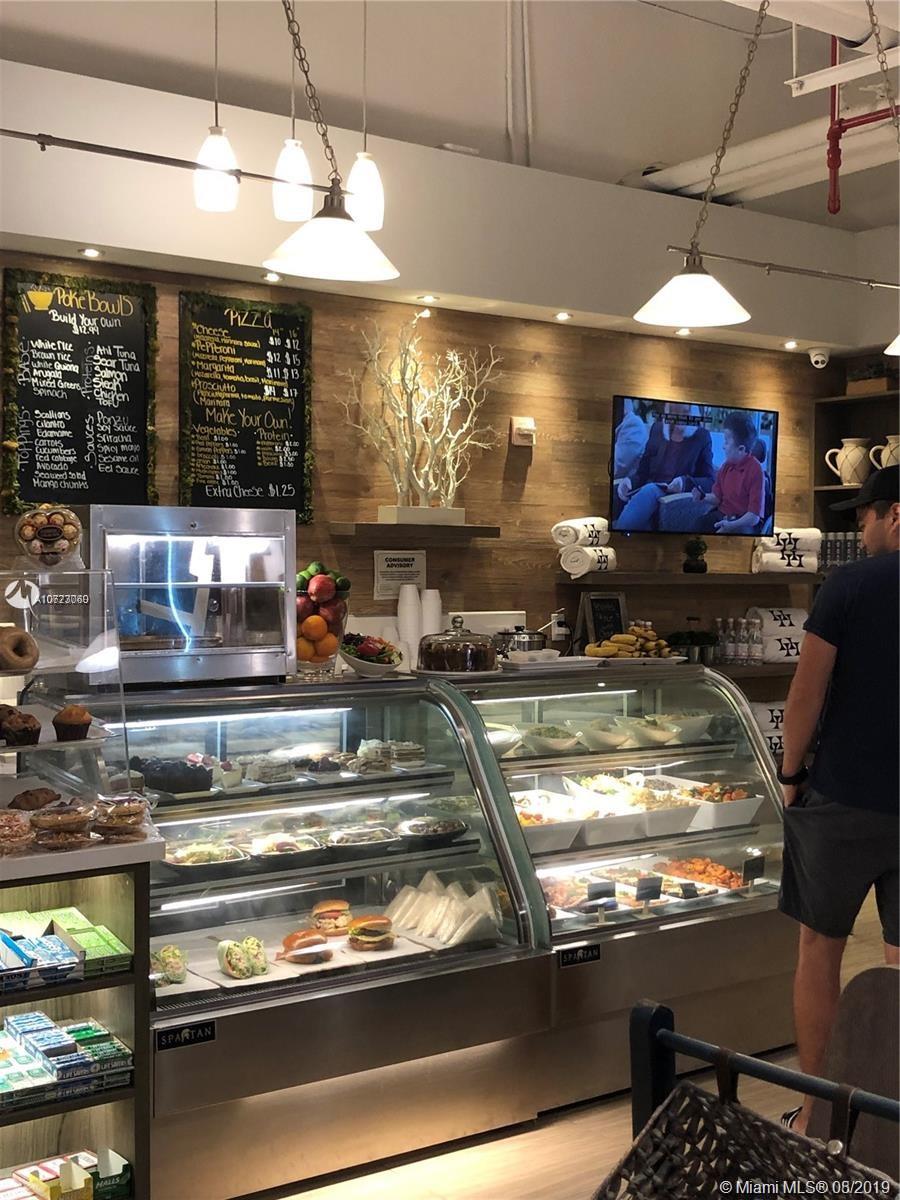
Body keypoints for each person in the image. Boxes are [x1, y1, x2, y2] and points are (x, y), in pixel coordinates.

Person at [777, 465, 899, 1134]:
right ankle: (890, 1125)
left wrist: (791, 772)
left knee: (819, 949)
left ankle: (817, 1118)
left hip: (843, 796)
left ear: (895, 514)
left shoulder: (849, 585)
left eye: (864, 515)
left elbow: (806, 690)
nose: (860, 527)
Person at [615, 402, 713, 531]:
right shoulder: (657, 429)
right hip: (646, 492)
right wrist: (630, 481)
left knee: (650, 490)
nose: (680, 417)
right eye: (675, 412)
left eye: (685, 412)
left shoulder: (702, 436)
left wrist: (684, 482)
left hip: (672, 495)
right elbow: (642, 472)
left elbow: (710, 481)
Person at [690, 410, 766, 534]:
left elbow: (754, 517)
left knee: (738, 534)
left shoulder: (756, 471)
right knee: (699, 524)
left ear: (741, 449)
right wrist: (703, 497)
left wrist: (731, 525)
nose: (723, 446)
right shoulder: (725, 466)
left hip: (743, 522)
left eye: (726, 441)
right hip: (723, 515)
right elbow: (717, 498)